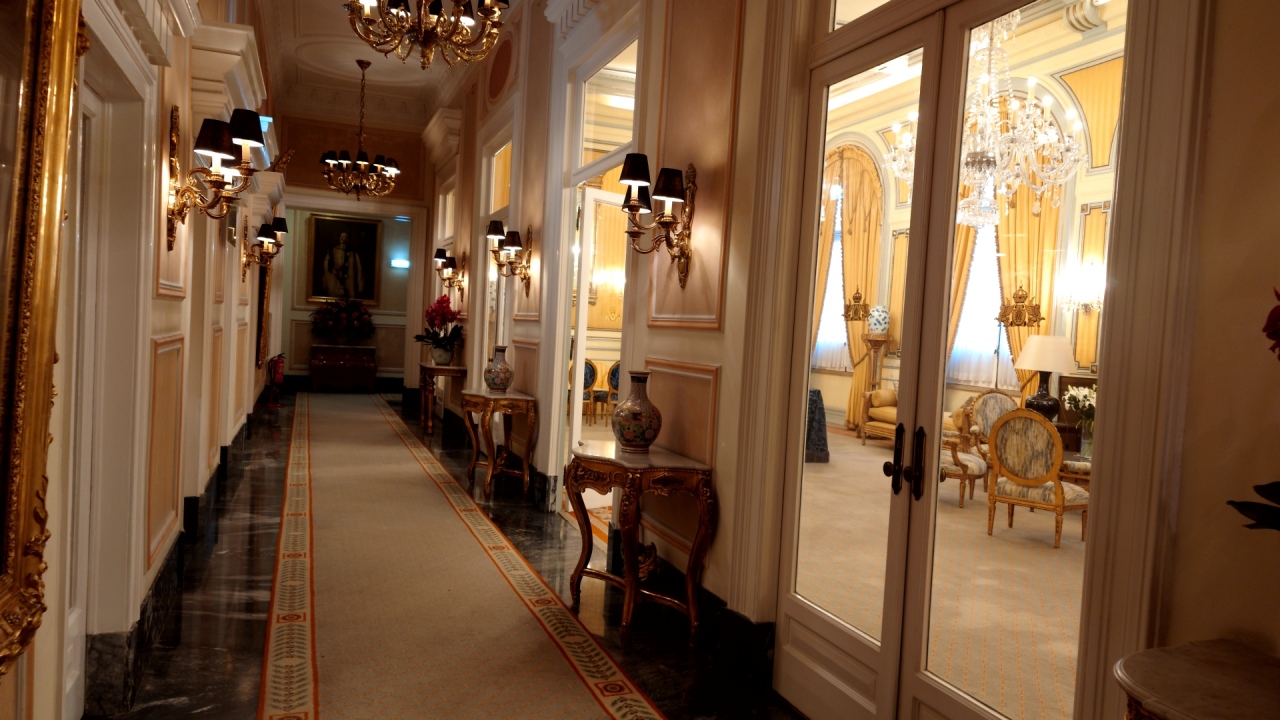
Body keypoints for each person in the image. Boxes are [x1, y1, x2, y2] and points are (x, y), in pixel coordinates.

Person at [322, 232, 364, 298]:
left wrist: (360, 285)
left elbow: (359, 268)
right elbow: (327, 264)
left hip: (349, 279)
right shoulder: (333, 250)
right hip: (335, 278)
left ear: (348, 239)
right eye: (341, 236)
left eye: (344, 236)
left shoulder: (353, 252)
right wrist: (332, 268)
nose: (342, 238)